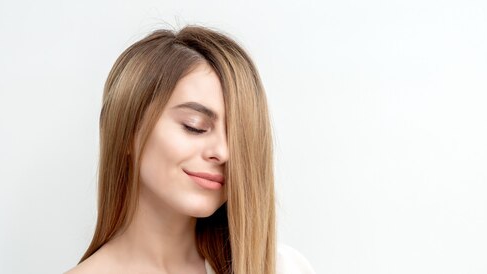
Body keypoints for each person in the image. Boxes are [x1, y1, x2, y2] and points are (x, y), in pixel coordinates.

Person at [65, 25, 315, 274]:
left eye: (239, 138)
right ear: (128, 129)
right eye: (194, 126)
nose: (223, 153)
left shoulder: (282, 268)